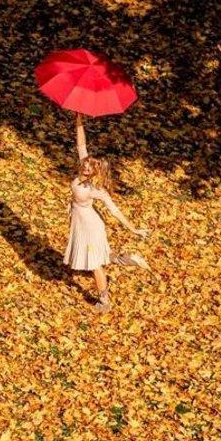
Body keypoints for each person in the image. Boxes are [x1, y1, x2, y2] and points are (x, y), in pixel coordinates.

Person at [65, 112, 150, 310]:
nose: (84, 168)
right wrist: (78, 118)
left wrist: (133, 229)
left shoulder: (95, 190)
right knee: (97, 256)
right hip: (81, 222)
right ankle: (127, 259)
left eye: (88, 169)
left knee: (95, 264)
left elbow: (114, 210)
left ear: (93, 173)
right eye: (84, 165)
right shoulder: (82, 173)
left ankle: (104, 300)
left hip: (90, 227)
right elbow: (81, 145)